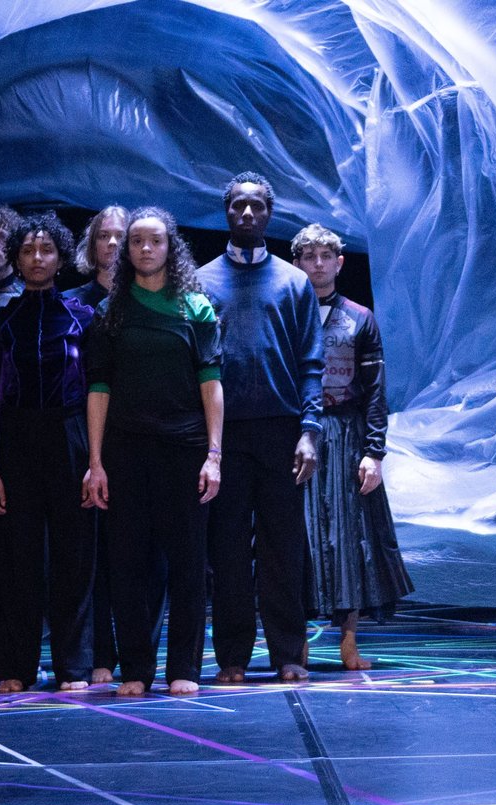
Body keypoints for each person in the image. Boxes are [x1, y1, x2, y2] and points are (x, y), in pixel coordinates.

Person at [82, 207, 223, 697]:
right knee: (126, 565)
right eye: (136, 241)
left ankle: (184, 666)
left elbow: (211, 383)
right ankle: (136, 669)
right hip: (124, 452)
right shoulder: (109, 313)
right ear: (126, 250)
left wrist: (214, 454)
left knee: (187, 563)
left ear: (170, 247)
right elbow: (98, 388)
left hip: (184, 451)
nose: (145, 248)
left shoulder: (195, 307)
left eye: (155, 241)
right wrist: (95, 462)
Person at [196, 172, 324, 684]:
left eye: (257, 207)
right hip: (223, 437)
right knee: (226, 550)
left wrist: (309, 430)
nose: (247, 214)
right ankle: (231, 657)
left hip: (280, 431)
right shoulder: (202, 282)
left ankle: (289, 652)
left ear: (270, 214)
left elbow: (311, 362)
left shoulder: (294, 282)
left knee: (282, 548)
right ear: (226, 212)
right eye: (238, 206)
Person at [0, 213, 100, 693]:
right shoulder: (1, 321)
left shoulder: (82, 316)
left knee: (74, 554)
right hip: (15, 442)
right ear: (15, 258)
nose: (36, 258)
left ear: (60, 257)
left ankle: (73, 665)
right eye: (27, 251)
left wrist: (96, 461)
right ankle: (15, 665)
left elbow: (97, 391)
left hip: (70, 436)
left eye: (45, 250)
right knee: (17, 557)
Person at [291, 224, 413, 670]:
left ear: (339, 263)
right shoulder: (286, 311)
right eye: (310, 256)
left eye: (326, 255)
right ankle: (296, 642)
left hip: (346, 435)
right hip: (299, 437)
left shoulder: (360, 318)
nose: (318, 263)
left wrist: (374, 452)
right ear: (298, 263)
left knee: (349, 539)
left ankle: (348, 640)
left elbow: (375, 390)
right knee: (300, 539)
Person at [64, 205, 128, 684]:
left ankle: (138, 653)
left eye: (119, 236)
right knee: (89, 553)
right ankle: (97, 654)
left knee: (137, 554)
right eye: (102, 236)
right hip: (84, 438)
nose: (111, 244)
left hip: (140, 434)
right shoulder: (71, 303)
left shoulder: (149, 297)